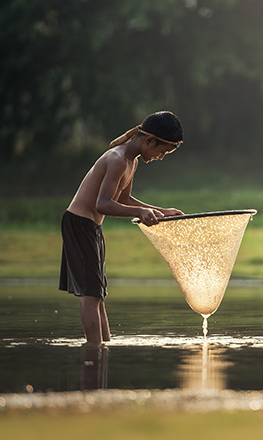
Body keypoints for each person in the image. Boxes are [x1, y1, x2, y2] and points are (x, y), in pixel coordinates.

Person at [60, 111, 185, 342]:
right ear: (149, 140)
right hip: (79, 224)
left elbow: (124, 199)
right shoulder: (117, 159)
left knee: (98, 294)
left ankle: (104, 347)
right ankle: (94, 351)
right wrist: (139, 212)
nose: (161, 156)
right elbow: (103, 203)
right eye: (162, 151)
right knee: (91, 294)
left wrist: (161, 211)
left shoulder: (131, 162)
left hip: (92, 227)